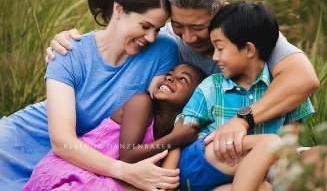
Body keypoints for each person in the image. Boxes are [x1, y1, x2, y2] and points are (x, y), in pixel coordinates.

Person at [47, 0, 320, 167]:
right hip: (202, 151)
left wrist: (243, 120)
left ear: (221, 11)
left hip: (243, 141)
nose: (188, 38)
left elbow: (304, 80)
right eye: (178, 25)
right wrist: (71, 44)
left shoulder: (245, 33)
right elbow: (125, 35)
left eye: (199, 27)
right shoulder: (164, 39)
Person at [0, 0, 202, 191]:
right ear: (119, 9)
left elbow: (165, 107)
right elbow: (62, 142)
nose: (151, 37)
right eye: (145, 26)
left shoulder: (163, 49)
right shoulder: (68, 52)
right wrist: (126, 171)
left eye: (157, 28)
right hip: (28, 143)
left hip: (95, 154)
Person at [162, 1, 314, 191]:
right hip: (200, 162)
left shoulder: (284, 90)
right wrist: (166, 182)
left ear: (249, 50)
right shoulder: (211, 87)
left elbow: (290, 144)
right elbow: (180, 133)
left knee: (268, 186)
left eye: (220, 48)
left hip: (241, 175)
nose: (215, 57)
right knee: (271, 142)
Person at [23, 63, 207, 190]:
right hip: (73, 168)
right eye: (169, 74)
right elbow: (128, 155)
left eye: (183, 79)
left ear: (195, 99)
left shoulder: (175, 133)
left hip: (104, 179)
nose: (170, 78)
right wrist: (175, 138)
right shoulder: (141, 103)